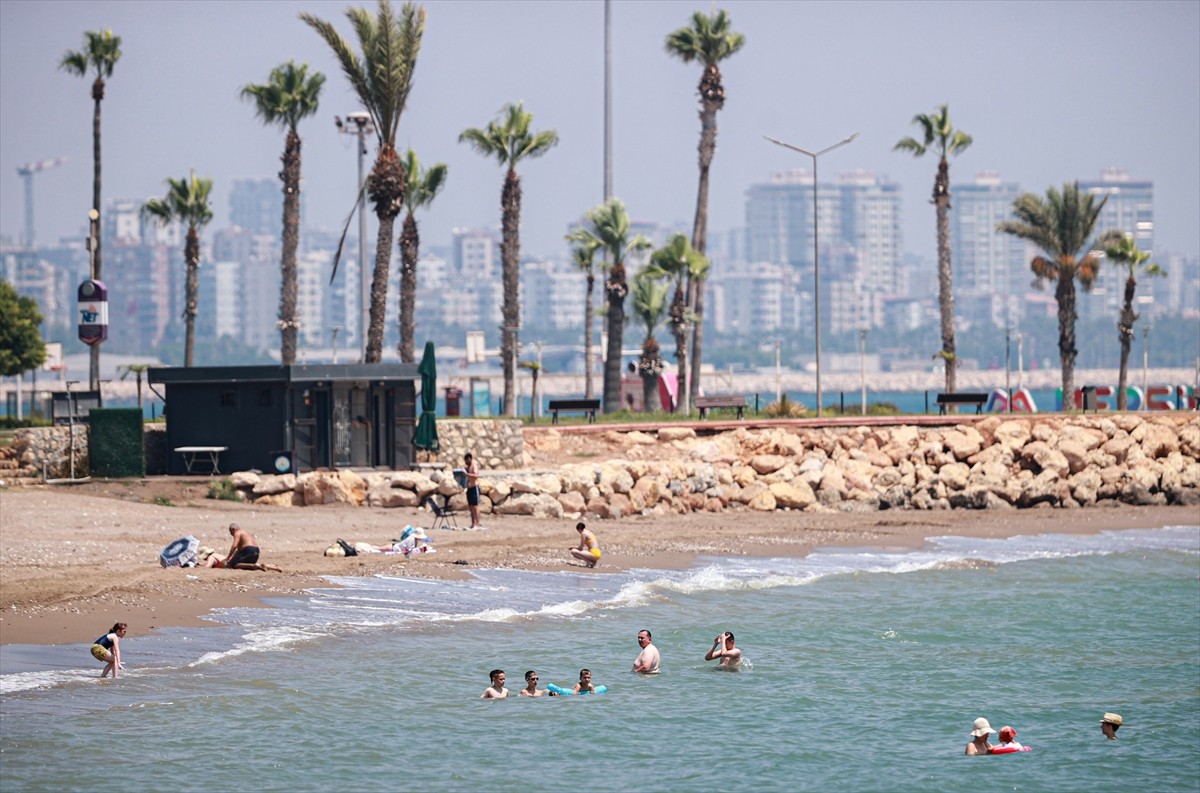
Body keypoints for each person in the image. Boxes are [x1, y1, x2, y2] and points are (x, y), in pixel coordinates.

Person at [463, 453, 482, 529]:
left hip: (474, 488)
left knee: (475, 507)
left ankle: (477, 524)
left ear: (469, 459)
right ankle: (473, 523)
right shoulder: (467, 468)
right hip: (469, 489)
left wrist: (467, 474)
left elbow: (476, 476)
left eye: (466, 460)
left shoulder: (474, 466)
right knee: (471, 507)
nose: (466, 462)